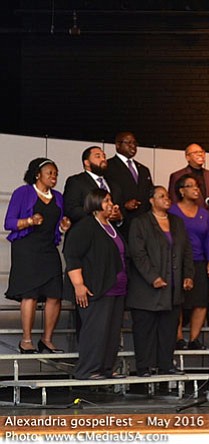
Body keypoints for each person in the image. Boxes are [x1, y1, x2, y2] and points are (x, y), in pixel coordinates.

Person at [4, 158, 71, 354]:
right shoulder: (22, 192)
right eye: (50, 172)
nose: (54, 176)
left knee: (55, 294)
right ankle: (26, 341)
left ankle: (46, 340)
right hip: (27, 248)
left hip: (48, 248)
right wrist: (29, 221)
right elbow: (9, 223)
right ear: (37, 174)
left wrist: (63, 227)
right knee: (30, 294)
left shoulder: (58, 197)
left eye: (56, 174)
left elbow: (57, 226)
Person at [126, 186, 194, 377]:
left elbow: (187, 251)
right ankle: (144, 366)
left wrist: (188, 275)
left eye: (167, 196)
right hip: (146, 289)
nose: (166, 199)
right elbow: (138, 254)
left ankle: (166, 364)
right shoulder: (140, 222)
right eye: (161, 196)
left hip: (172, 288)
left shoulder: (177, 222)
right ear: (151, 200)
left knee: (168, 329)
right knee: (145, 329)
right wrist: (152, 277)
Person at [63, 189, 126, 379]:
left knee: (111, 332)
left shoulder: (112, 226)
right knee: (95, 330)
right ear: (95, 203)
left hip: (117, 288)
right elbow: (72, 255)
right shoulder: (86, 226)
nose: (111, 203)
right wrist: (79, 285)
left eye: (111, 199)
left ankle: (106, 368)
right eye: (106, 200)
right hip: (96, 288)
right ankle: (87, 369)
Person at [168, 143, 209, 328]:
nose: (200, 155)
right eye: (196, 152)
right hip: (184, 237)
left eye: (202, 152)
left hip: (206, 228)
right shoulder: (177, 176)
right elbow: (172, 202)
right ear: (187, 156)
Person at [169, 174, 209, 351]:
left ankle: (194, 339)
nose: (196, 189)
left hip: (199, 261)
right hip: (178, 262)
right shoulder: (173, 211)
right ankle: (179, 337)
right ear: (181, 190)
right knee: (178, 300)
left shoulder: (205, 213)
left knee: (201, 300)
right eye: (191, 186)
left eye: (197, 186)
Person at [105, 131, 154, 236]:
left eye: (135, 143)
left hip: (144, 225)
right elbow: (105, 193)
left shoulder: (144, 169)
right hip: (121, 225)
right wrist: (123, 206)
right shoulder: (108, 167)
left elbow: (150, 193)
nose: (133, 146)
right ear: (118, 145)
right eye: (128, 142)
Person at [63, 146, 124, 227]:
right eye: (98, 156)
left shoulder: (114, 185)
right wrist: (99, 216)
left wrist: (119, 216)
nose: (103, 159)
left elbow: (120, 209)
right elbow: (71, 209)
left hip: (110, 235)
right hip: (86, 233)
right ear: (87, 163)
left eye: (104, 156)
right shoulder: (76, 181)